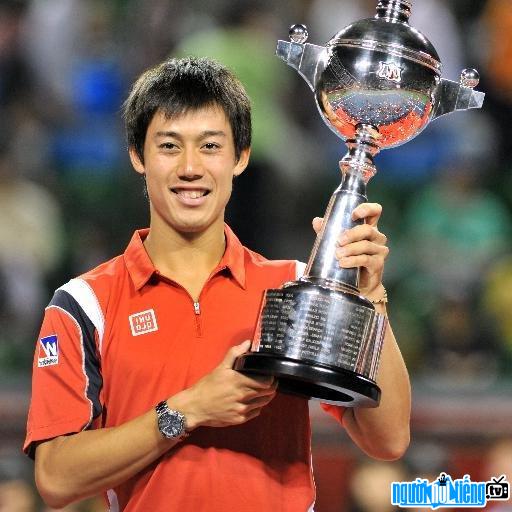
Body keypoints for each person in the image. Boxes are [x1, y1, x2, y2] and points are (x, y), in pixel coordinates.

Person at [23, 57, 410, 511]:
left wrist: (366, 298)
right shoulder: (84, 304)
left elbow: (388, 439)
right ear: (137, 156)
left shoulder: (291, 288)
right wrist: (186, 411)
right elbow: (54, 478)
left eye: (210, 146)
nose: (190, 168)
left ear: (240, 157)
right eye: (169, 147)